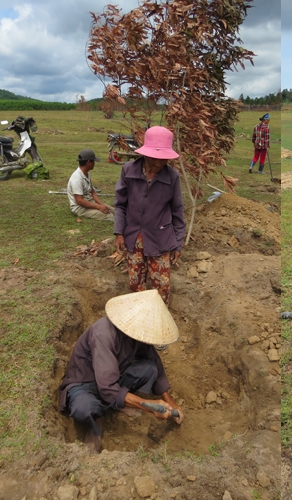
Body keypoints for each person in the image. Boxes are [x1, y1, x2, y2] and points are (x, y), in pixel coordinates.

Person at [58, 290, 184, 454]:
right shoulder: (103, 335)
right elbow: (107, 387)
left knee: (150, 369)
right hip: (86, 383)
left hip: (113, 377)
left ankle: (119, 402)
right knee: (83, 407)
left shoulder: (138, 334)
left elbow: (155, 363)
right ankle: (96, 423)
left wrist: (170, 401)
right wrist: (149, 405)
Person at [114, 126, 186, 306]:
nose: (159, 163)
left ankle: (159, 324)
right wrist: (119, 233)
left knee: (161, 286)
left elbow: (177, 212)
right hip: (134, 237)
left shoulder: (172, 177)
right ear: (145, 153)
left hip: (160, 239)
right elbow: (120, 205)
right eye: (154, 158)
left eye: (163, 160)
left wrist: (177, 244)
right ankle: (139, 322)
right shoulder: (128, 171)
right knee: (135, 283)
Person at [66, 149, 115, 221]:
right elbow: (79, 201)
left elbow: (93, 192)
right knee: (109, 216)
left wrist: (102, 205)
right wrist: (98, 207)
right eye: (93, 161)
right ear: (89, 162)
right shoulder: (76, 179)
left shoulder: (86, 173)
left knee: (115, 211)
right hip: (80, 208)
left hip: (90, 202)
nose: (94, 163)